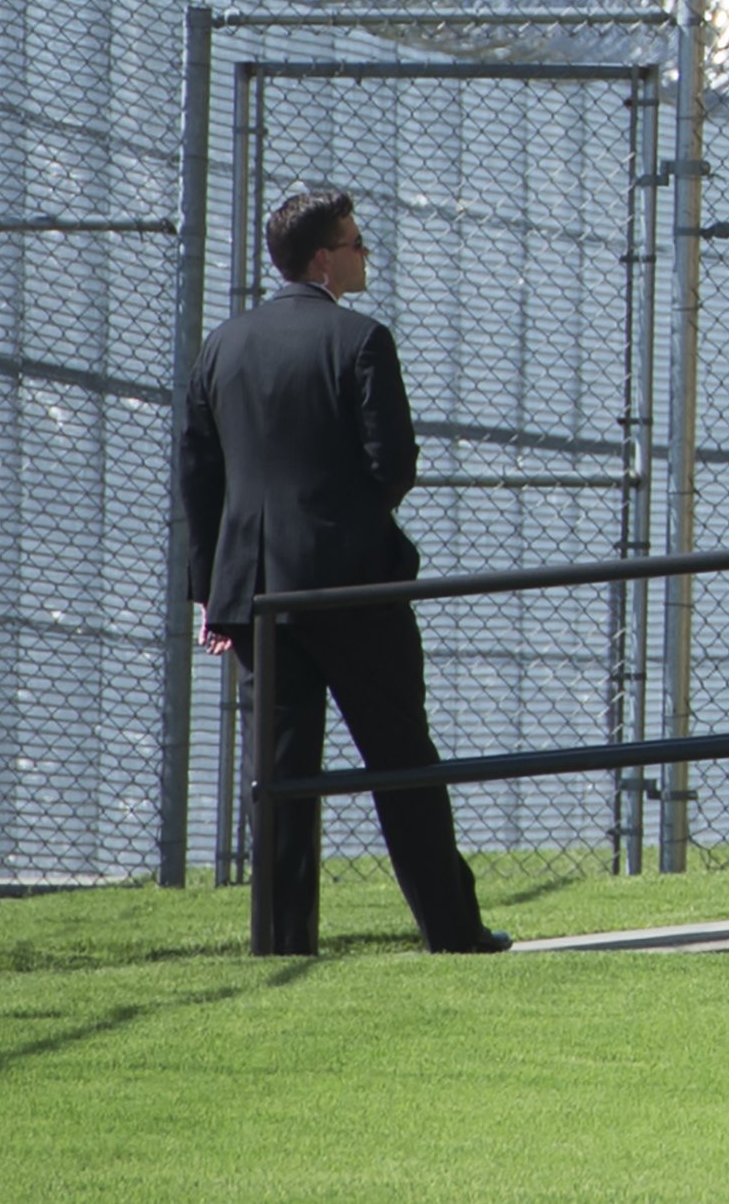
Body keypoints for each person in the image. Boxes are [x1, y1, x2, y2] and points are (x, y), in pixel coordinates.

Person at [180, 188, 503, 955]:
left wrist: (212, 592)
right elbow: (392, 464)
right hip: (355, 586)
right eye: (356, 243)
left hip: (261, 596)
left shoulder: (223, 345)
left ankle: (284, 933)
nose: (365, 255)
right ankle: (449, 926)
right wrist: (352, 523)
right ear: (324, 256)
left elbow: (199, 477)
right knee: (402, 757)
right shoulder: (360, 339)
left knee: (282, 774)